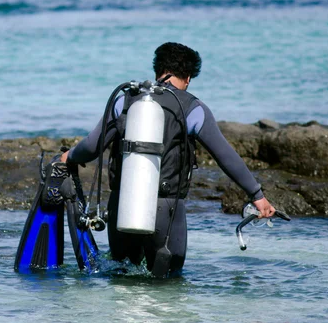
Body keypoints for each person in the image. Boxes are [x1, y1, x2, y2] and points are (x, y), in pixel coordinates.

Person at [60, 42, 276, 275]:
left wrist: (69, 156)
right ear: (189, 77)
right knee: (168, 286)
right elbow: (226, 157)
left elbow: (92, 146)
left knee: (122, 278)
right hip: (167, 209)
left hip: (122, 206)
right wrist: (257, 195)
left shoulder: (126, 100)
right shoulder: (193, 108)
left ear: (158, 69)